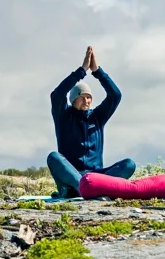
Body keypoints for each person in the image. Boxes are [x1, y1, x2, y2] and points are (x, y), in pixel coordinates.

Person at [47, 46, 136, 198]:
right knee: (53, 157)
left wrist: (97, 71)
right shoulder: (64, 116)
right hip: (72, 175)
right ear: (73, 99)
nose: (86, 100)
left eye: (89, 97)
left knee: (129, 164)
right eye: (82, 97)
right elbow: (57, 94)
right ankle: (84, 188)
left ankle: (92, 188)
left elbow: (115, 95)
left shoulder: (97, 116)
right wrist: (81, 71)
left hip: (96, 177)